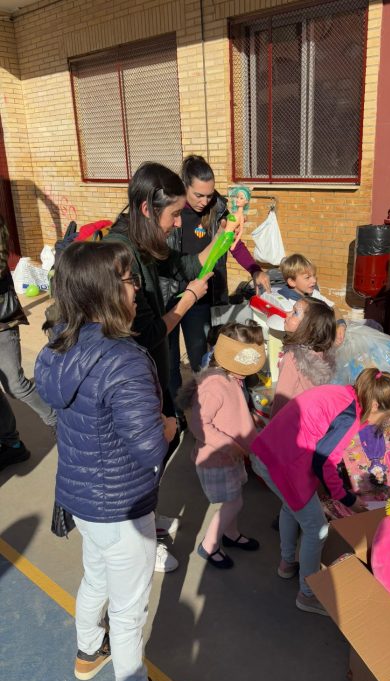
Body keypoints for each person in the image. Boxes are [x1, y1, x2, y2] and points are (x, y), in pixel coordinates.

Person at [34, 241, 196, 681]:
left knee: (96, 576)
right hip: (122, 506)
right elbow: (150, 448)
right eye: (128, 281)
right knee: (129, 610)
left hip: (80, 497)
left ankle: (88, 650)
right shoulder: (123, 360)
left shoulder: (59, 343)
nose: (136, 288)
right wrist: (170, 427)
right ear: (105, 291)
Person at [106, 162, 213, 569]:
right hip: (134, 378)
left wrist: (218, 241)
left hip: (154, 371)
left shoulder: (147, 241)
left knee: (161, 446)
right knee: (142, 457)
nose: (176, 225)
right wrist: (187, 300)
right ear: (149, 209)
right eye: (173, 216)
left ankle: (147, 517)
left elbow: (184, 265)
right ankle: (140, 539)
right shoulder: (120, 257)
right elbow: (147, 333)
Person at [251, 368, 390, 615]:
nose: (382, 423)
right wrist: (347, 498)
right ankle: (308, 593)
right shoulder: (350, 416)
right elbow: (324, 462)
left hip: (270, 452)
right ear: (376, 404)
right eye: (385, 417)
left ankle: (287, 562)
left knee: (290, 508)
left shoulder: (343, 394)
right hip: (284, 463)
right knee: (317, 529)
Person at [166, 154, 271, 385]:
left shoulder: (219, 207)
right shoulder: (170, 210)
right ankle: (175, 415)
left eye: (209, 194)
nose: (205, 201)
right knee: (169, 364)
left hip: (201, 301)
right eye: (198, 195)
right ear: (185, 186)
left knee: (201, 360)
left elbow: (234, 242)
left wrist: (254, 269)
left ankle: (202, 408)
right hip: (172, 296)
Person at [176, 321, 265, 570]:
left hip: (231, 455)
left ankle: (231, 533)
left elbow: (232, 409)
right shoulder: (214, 385)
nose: (245, 372)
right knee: (233, 502)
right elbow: (199, 424)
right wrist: (228, 445)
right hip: (217, 457)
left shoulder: (230, 375)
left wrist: (249, 419)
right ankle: (209, 545)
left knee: (234, 497)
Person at [0, 216, 56, 470]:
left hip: (2, 320)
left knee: (15, 384)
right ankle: (11, 445)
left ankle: (58, 422)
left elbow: (1, 261)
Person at [270, 296, 337, 418]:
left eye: (295, 312)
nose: (287, 313)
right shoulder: (322, 354)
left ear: (309, 327)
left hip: (291, 423)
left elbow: (282, 398)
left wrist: (270, 431)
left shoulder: (292, 357)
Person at [277, 253, 347, 344]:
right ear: (292, 282)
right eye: (307, 277)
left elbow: (333, 307)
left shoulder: (313, 294)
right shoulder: (288, 304)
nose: (314, 280)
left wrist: (340, 324)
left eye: (314, 276)